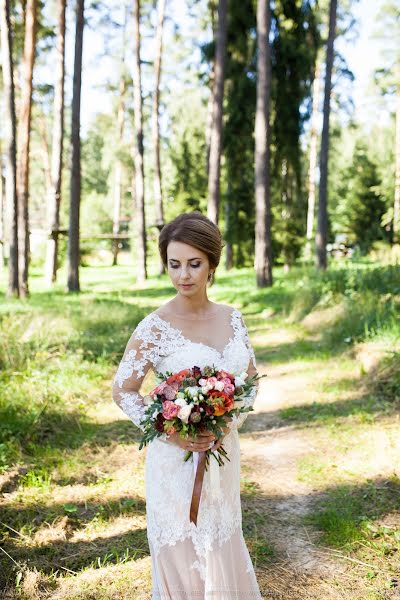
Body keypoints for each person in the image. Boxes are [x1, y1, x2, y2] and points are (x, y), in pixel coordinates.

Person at [112, 211, 262, 599]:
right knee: (182, 559)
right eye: (174, 264)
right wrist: (171, 430)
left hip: (222, 457)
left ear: (212, 264)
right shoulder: (155, 327)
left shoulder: (233, 320)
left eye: (194, 264)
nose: (184, 275)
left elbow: (248, 384)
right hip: (173, 466)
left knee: (222, 543)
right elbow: (124, 390)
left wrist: (227, 422)